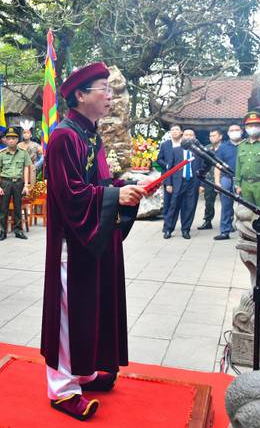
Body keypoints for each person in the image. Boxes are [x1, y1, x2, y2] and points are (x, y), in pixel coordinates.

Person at [41, 63, 152, 421]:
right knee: (67, 311)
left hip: (91, 236)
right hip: (69, 243)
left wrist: (121, 189)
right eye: (103, 87)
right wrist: (112, 199)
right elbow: (69, 193)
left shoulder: (91, 136)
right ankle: (60, 389)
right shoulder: (63, 137)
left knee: (89, 307)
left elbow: (97, 184)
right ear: (80, 95)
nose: (110, 94)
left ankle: (84, 372)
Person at [162, 128, 203, 240]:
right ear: (182, 137)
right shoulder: (176, 150)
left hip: (192, 182)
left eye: (191, 135)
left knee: (190, 206)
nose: (188, 137)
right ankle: (168, 229)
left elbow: (202, 169)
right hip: (178, 182)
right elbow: (170, 168)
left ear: (194, 137)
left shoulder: (198, 152)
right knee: (173, 206)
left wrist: (202, 185)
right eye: (186, 135)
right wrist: (169, 183)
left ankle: (185, 229)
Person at [0, 127, 31, 241]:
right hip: (6, 183)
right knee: (4, 209)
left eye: (13, 138)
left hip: (18, 183)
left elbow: (26, 169)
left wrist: (26, 185)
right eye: (8, 138)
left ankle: (18, 231)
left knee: (18, 208)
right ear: (6, 140)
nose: (11, 141)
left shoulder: (23, 153)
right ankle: (3, 231)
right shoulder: (1, 153)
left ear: (17, 139)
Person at [212, 123, 243, 240]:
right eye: (232, 130)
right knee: (226, 207)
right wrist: (217, 181)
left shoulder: (245, 145)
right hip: (226, 179)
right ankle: (225, 231)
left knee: (243, 208)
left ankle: (244, 233)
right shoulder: (223, 147)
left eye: (237, 129)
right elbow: (217, 165)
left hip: (241, 181)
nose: (235, 131)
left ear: (241, 131)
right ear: (228, 133)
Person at [235, 112, 260, 211]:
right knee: (247, 214)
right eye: (250, 125)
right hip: (245, 184)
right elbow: (238, 166)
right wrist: (238, 184)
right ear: (245, 128)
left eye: (256, 125)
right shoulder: (241, 145)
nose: (253, 127)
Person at [156, 123, 182, 232]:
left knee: (178, 202)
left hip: (181, 177)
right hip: (168, 176)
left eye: (177, 129)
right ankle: (167, 224)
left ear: (181, 132)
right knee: (167, 201)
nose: (174, 131)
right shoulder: (165, 145)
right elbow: (159, 159)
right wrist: (168, 166)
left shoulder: (184, 145)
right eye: (172, 130)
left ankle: (178, 223)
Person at [197, 128, 223, 230]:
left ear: (220, 136)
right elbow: (202, 164)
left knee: (226, 202)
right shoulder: (206, 148)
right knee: (208, 202)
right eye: (210, 136)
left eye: (214, 136)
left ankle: (228, 223)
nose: (212, 138)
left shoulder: (225, 147)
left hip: (222, 178)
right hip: (209, 179)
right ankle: (207, 221)